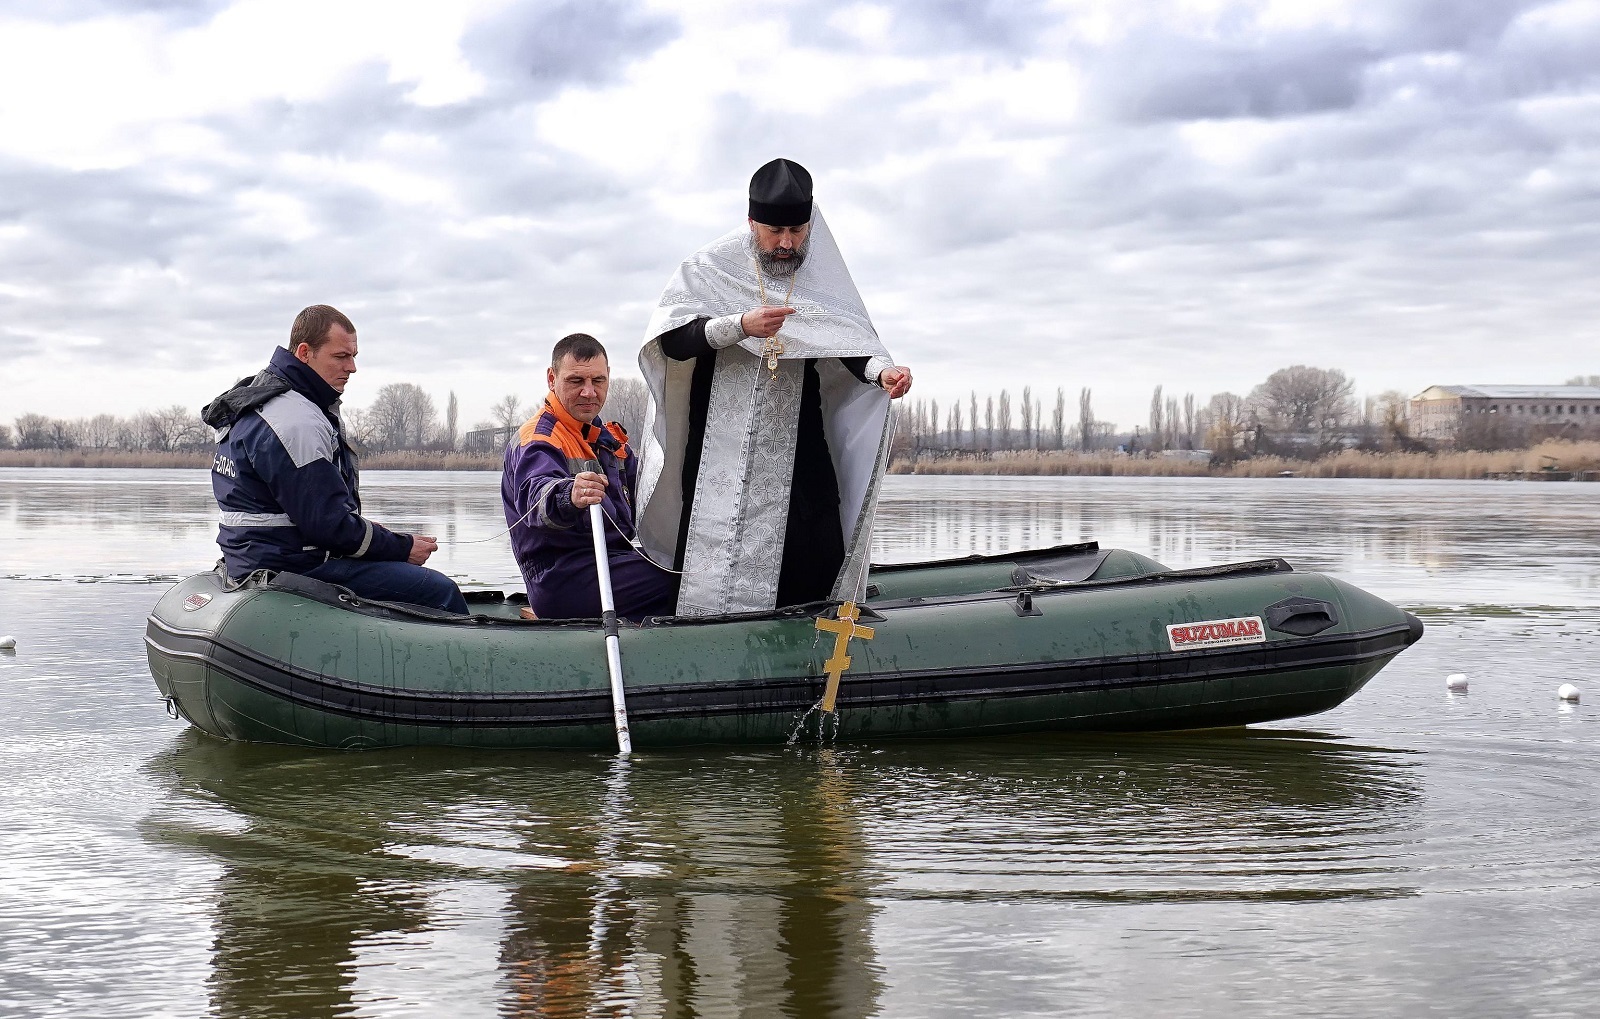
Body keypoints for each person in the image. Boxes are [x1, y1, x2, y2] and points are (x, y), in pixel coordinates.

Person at [634, 158, 912, 615]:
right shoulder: (709, 268)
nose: (786, 243)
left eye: (797, 232)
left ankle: (812, 662)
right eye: (774, 231)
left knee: (814, 557)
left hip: (799, 449)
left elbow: (849, 339)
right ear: (750, 223)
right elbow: (670, 342)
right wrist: (739, 325)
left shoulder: (823, 276)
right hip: (718, 454)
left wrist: (881, 372)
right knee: (711, 550)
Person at [204, 304, 467, 614]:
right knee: (438, 590)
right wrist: (403, 547)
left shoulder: (260, 400)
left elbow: (310, 513)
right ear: (305, 352)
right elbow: (328, 526)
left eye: (354, 356)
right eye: (341, 356)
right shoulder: (294, 420)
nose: (352, 367)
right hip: (292, 565)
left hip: (253, 557)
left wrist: (372, 535)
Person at [502, 333, 676, 621]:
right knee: (683, 582)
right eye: (576, 381)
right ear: (551, 378)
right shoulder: (538, 440)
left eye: (598, 381)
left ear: (608, 377)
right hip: (563, 578)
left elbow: (653, 494)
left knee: (686, 564)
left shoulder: (608, 441)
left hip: (613, 563)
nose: (589, 392)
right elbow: (536, 495)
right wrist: (570, 495)